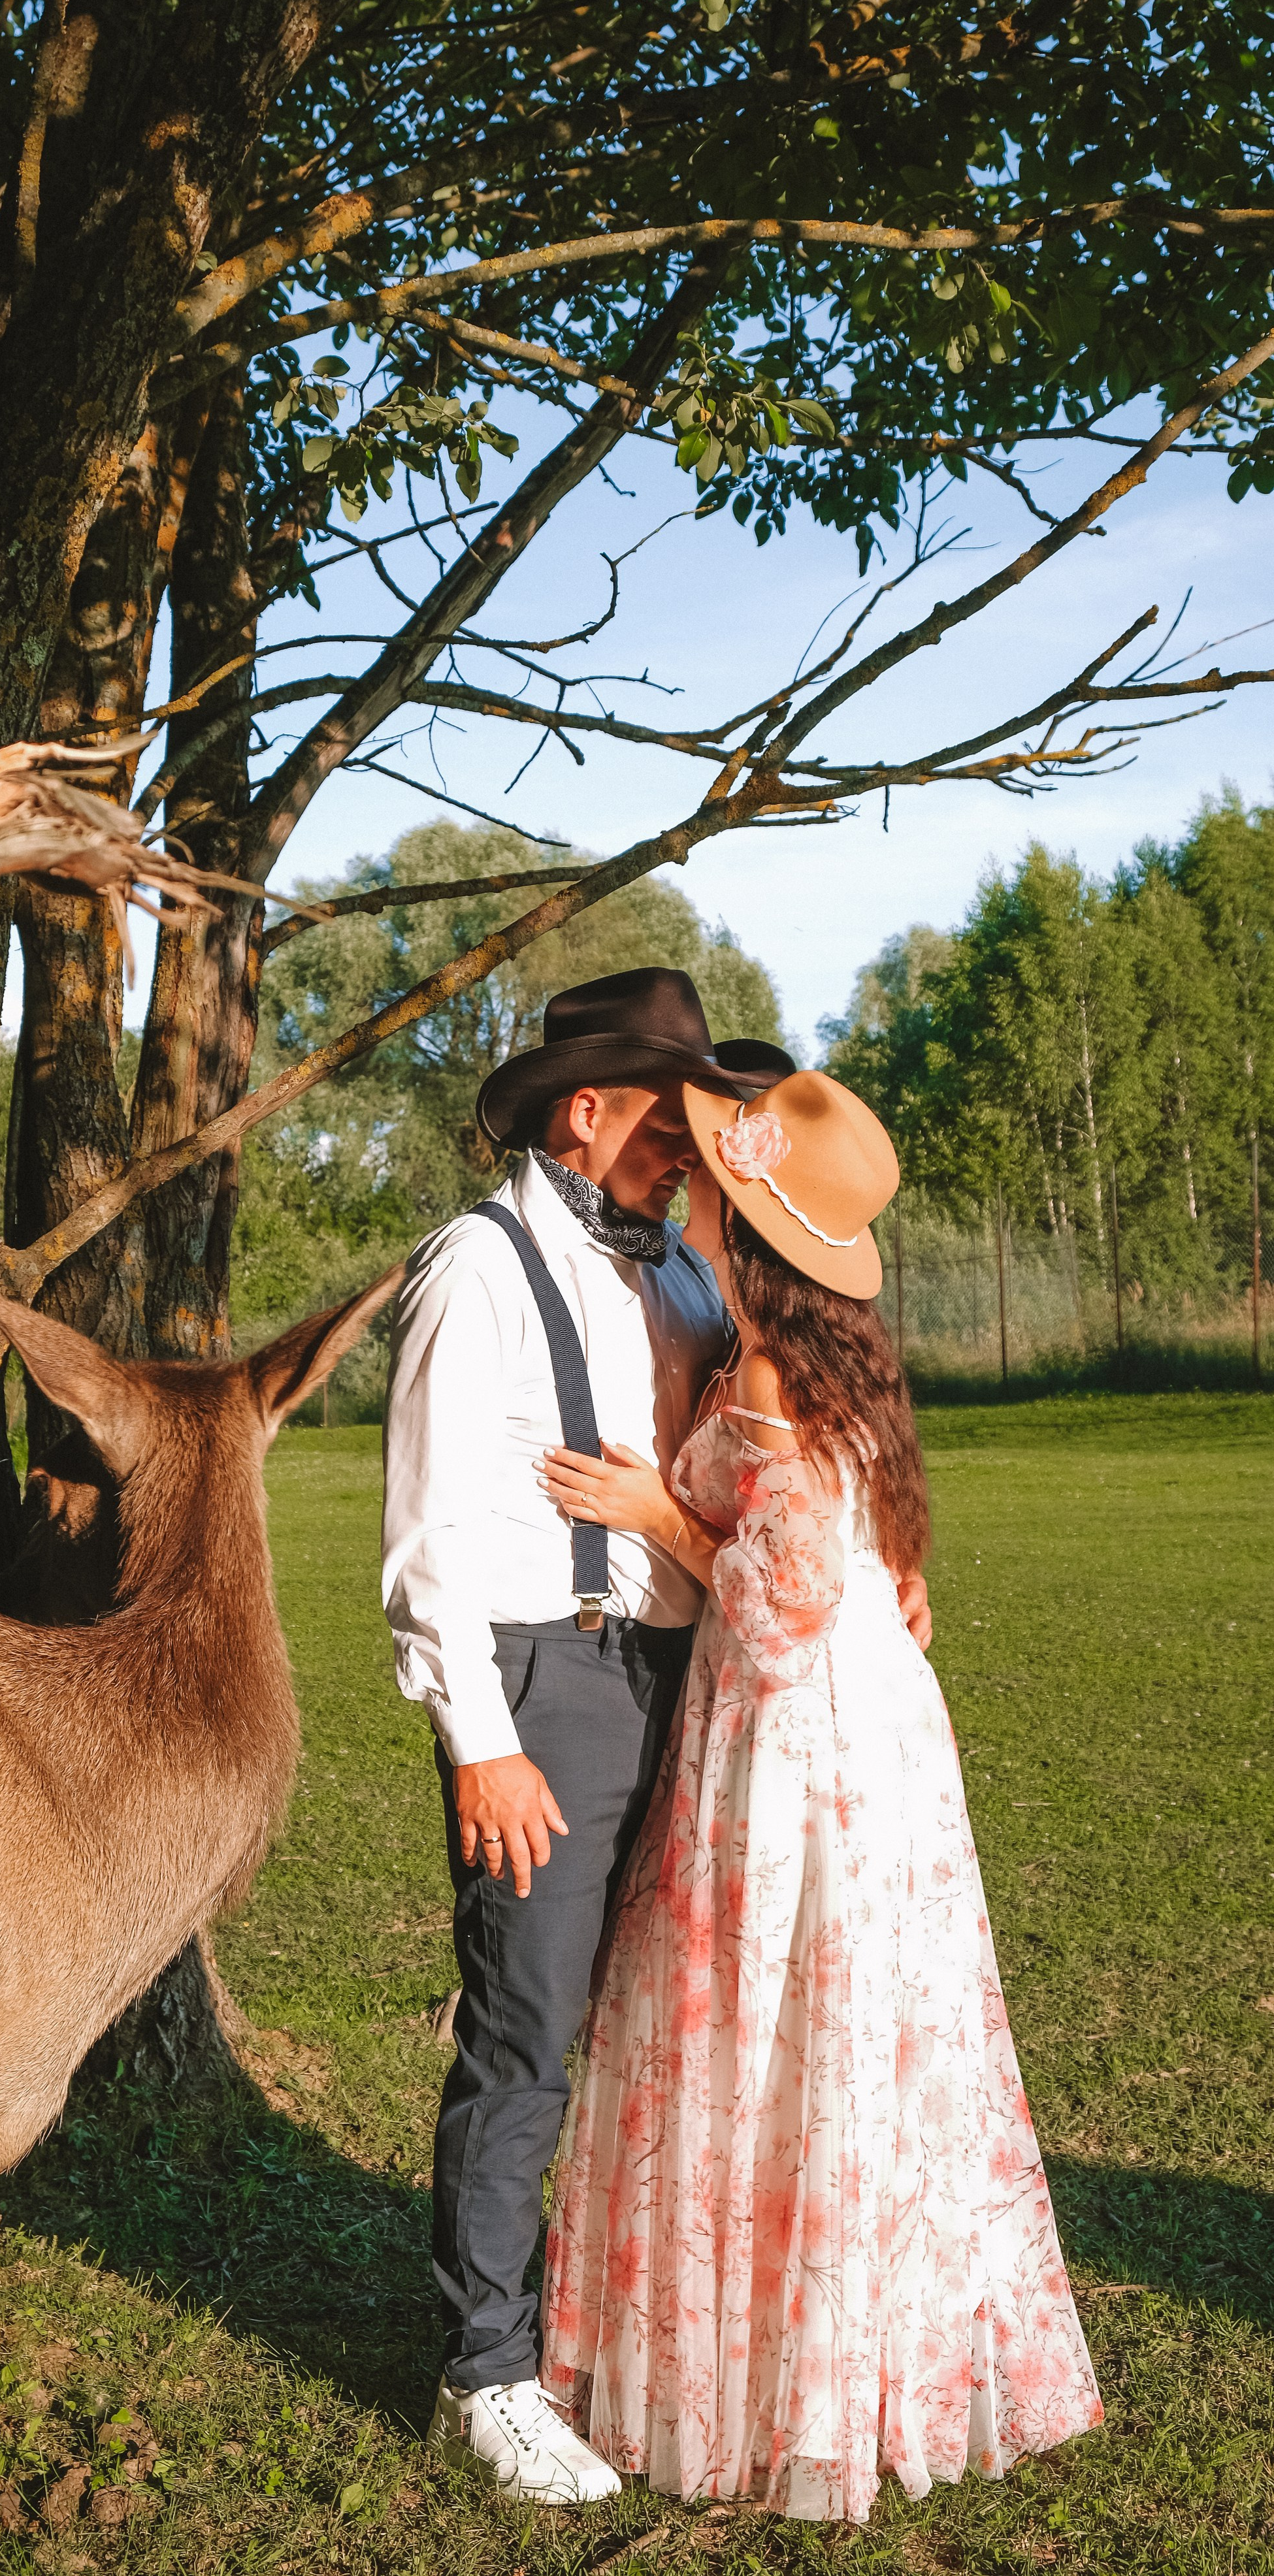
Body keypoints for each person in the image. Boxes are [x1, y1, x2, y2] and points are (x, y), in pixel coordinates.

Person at [382, 971, 932, 2505]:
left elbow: (780, 1478)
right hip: (546, 1685)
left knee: (654, 2026)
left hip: (702, 1690)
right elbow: (424, 1533)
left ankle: (599, 2320)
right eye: (662, 1120)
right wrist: (480, 1740)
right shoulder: (475, 1269)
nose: (682, 1152)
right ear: (586, 1107)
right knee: (524, 2028)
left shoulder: (688, 1282)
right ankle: (484, 2368)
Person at [536, 1067, 1102, 2517]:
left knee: (787, 2011)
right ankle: (829, 2349)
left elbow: (786, 1607)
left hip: (806, 1737)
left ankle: (799, 2372)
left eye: (714, 1177)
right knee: (827, 2027)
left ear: (752, 1218)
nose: (693, 1182)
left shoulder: (776, 1373)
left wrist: (654, 1510)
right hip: (846, 1718)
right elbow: (837, 1555)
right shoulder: (793, 1350)